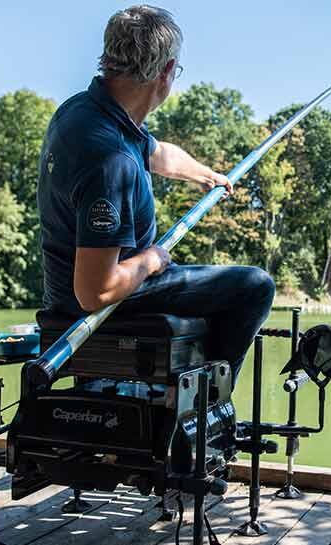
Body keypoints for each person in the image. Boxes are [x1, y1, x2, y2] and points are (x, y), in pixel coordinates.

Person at [36, 5, 274, 383]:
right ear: (165, 73)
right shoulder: (110, 160)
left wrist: (205, 175)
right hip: (108, 298)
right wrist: (151, 259)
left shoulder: (85, 111)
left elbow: (157, 153)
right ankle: (208, 402)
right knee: (254, 287)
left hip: (74, 286)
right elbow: (95, 292)